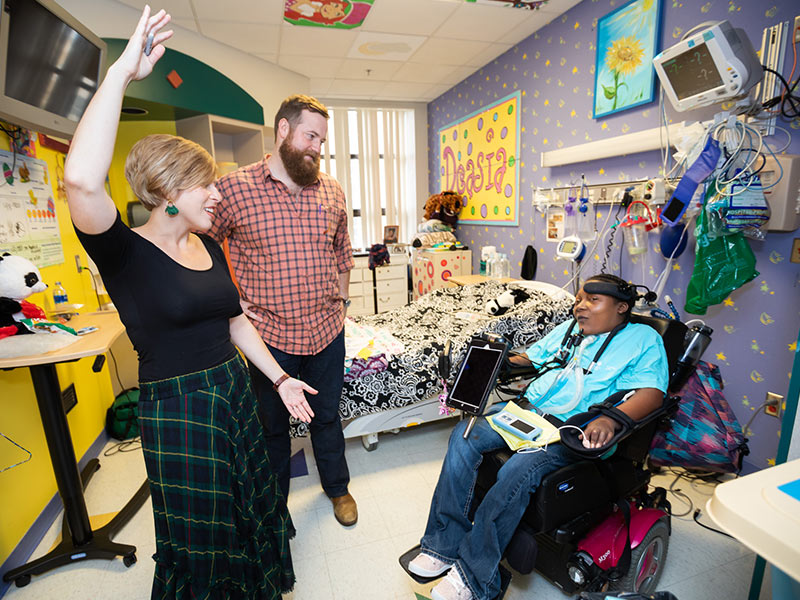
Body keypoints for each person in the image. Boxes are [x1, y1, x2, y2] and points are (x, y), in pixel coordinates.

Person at [64, 8, 317, 599]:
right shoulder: (123, 253)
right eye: (205, 183)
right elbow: (80, 181)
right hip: (178, 408)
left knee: (249, 503)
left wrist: (278, 378)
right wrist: (123, 72)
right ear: (169, 192)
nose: (218, 191)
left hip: (232, 391)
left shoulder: (207, 244)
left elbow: (232, 319)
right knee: (202, 534)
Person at [409, 274, 669, 600]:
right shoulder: (570, 330)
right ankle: (442, 545)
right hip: (526, 412)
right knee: (463, 436)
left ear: (621, 307)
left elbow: (653, 393)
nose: (580, 306)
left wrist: (609, 418)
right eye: (578, 299)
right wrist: (496, 361)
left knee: (517, 469)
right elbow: (533, 358)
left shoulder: (643, 340)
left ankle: (474, 578)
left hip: (569, 430)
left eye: (592, 300)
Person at [209, 94, 357, 526]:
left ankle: (338, 489)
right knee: (271, 429)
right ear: (283, 130)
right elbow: (204, 250)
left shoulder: (331, 189)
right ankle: (274, 508)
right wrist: (231, 308)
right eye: (310, 135)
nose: (317, 147)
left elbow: (342, 254)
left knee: (327, 418)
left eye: (322, 140)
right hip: (270, 339)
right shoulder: (234, 189)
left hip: (327, 332)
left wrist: (342, 306)